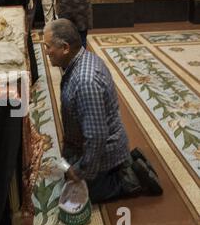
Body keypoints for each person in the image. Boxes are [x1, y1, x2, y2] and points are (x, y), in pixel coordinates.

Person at [43, 18, 163, 204]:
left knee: (82, 193)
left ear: (65, 48)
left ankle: (130, 178)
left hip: (104, 148)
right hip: (91, 142)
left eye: (48, 46)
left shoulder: (85, 81)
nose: (46, 51)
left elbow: (97, 136)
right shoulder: (83, 58)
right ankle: (125, 163)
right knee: (66, 171)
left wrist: (82, 170)